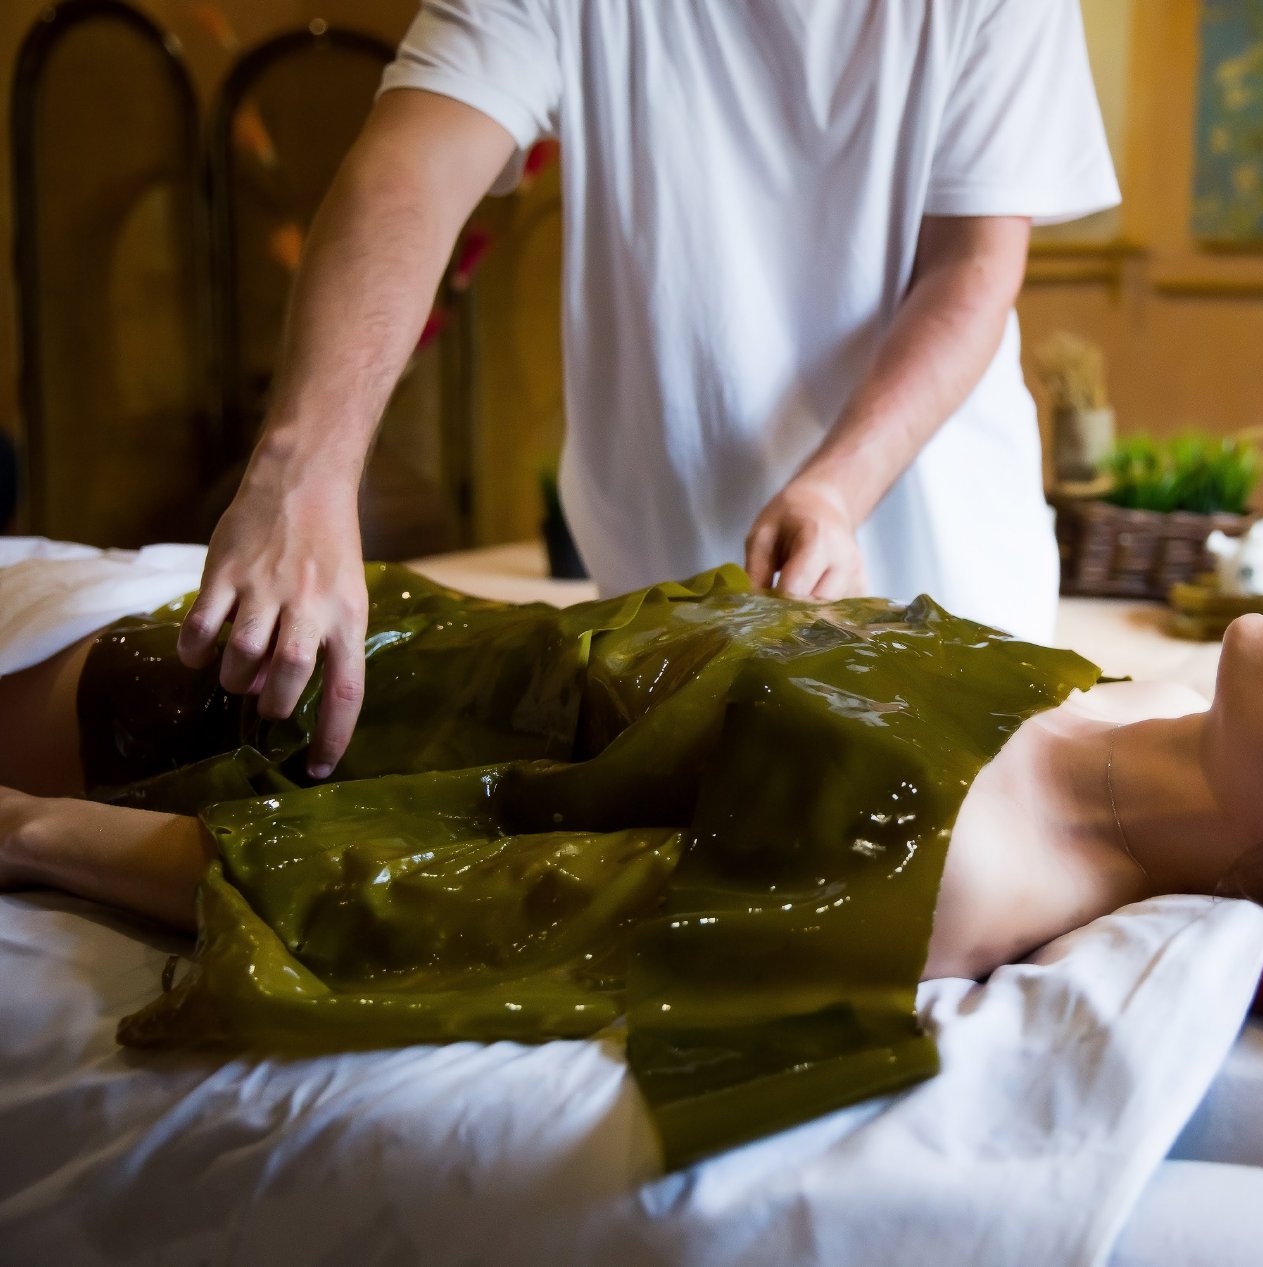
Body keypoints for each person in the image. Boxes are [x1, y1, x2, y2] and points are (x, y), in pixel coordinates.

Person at [0, 577, 1263, 1162]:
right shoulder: (1125, 711)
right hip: (381, 624)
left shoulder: (951, 876)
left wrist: (24, 833)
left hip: (285, 719)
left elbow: (437, 900)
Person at [183, 1, 1121, 786]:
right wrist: (303, 471)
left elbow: (972, 268)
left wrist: (837, 489)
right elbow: (409, 172)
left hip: (943, 573)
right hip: (664, 604)